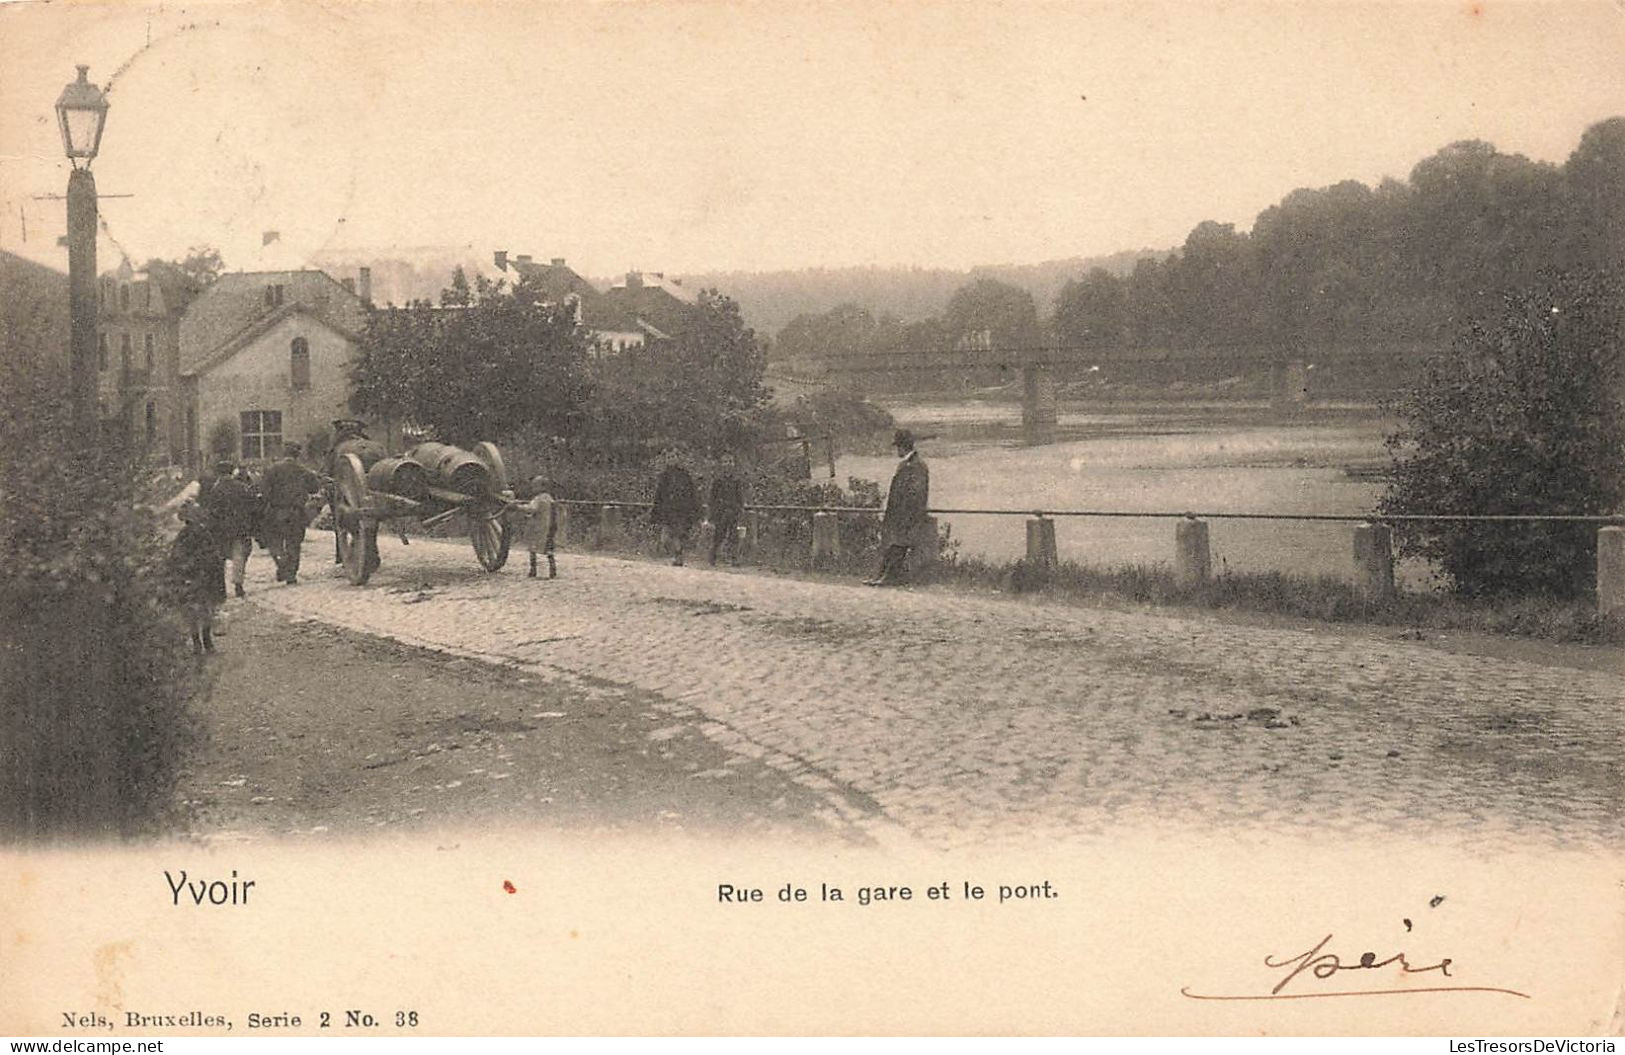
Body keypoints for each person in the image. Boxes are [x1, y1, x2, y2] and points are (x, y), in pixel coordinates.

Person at [865, 428, 930, 587]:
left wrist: (906, 514)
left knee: (897, 544)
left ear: (902, 447)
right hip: (899, 514)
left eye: (898, 447)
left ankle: (888, 577)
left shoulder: (917, 466)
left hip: (907, 515)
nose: (896, 451)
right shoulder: (907, 464)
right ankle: (882, 575)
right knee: (892, 544)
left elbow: (916, 494)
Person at [259, 442, 322, 584]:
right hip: (297, 513)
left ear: (284, 453)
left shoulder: (272, 469)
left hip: (277, 512)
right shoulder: (305, 471)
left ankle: (282, 565)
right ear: (297, 455)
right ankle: (291, 574)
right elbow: (314, 489)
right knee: (294, 544)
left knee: (275, 542)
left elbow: (264, 492)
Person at [198, 456, 262, 598]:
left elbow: (210, 510)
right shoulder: (242, 488)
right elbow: (252, 506)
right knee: (239, 556)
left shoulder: (215, 490)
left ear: (218, 473)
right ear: (233, 472)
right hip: (240, 527)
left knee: (220, 557)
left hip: (220, 529)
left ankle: (220, 588)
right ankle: (238, 585)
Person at [168, 501, 225, 654]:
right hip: (203, 576)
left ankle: (197, 643)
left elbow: (175, 558)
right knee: (205, 610)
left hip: (190, 576)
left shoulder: (182, 536)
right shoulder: (203, 533)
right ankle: (207, 642)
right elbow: (213, 556)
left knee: (192, 611)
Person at [650, 452, 701, 566]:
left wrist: (694, 510)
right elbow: (659, 495)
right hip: (667, 511)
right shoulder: (664, 476)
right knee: (665, 538)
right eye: (669, 457)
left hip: (681, 511)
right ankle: (676, 554)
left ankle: (678, 556)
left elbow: (691, 494)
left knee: (678, 534)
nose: (671, 459)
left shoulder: (684, 475)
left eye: (674, 457)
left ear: (678, 459)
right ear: (666, 460)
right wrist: (656, 512)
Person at [514, 475, 559, 579]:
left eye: (535, 486)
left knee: (533, 548)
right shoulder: (549, 498)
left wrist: (517, 507)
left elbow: (531, 508)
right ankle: (552, 570)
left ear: (542, 487)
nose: (533, 488)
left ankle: (533, 570)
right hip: (549, 527)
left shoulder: (538, 499)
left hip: (538, 527)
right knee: (549, 549)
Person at [707, 452, 746, 566]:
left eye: (730, 462)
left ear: (733, 464)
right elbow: (712, 497)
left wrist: (740, 508)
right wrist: (712, 512)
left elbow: (740, 496)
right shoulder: (717, 480)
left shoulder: (736, 480)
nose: (728, 464)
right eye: (725, 462)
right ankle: (713, 555)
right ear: (721, 464)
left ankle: (734, 558)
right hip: (721, 511)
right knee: (719, 534)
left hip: (733, 510)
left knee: (734, 535)